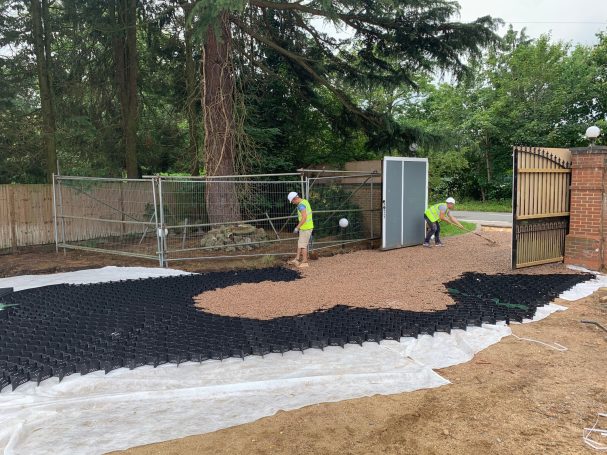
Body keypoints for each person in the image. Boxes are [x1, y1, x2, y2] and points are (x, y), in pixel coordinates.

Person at [287, 191, 314, 267]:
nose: (292, 203)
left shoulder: (300, 205)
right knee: (300, 243)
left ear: (295, 198)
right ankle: (297, 258)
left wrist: (297, 227)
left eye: (292, 201)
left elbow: (304, 217)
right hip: (306, 227)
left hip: (306, 228)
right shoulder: (305, 201)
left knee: (303, 245)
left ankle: (305, 261)